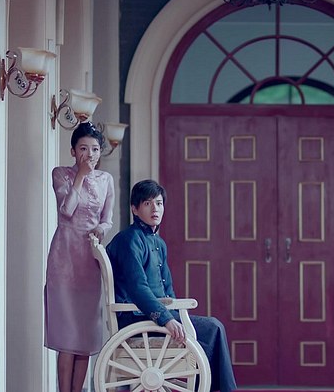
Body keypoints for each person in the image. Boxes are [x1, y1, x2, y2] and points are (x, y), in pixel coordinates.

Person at [106, 179, 237, 392]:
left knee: (210, 331)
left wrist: (176, 314)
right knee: (213, 327)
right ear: (134, 209)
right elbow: (138, 288)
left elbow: (168, 290)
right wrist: (167, 319)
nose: (155, 209)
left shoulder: (158, 242)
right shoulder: (129, 240)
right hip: (137, 317)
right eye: (147, 203)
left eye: (158, 203)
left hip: (153, 316)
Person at [44, 122, 115, 392]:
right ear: (73, 151)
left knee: (84, 338)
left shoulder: (106, 180)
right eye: (83, 148)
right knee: (67, 337)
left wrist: (101, 229)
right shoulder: (60, 174)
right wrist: (81, 177)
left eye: (95, 149)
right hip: (64, 260)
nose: (90, 154)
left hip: (89, 261)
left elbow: (107, 219)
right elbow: (66, 210)